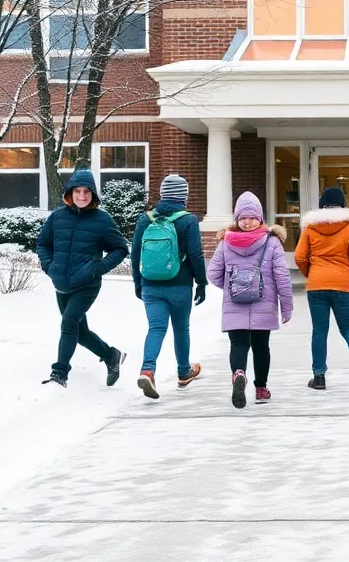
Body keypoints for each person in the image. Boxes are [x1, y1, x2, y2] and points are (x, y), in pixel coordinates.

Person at [36, 169, 129, 388]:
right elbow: (43, 244)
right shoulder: (58, 217)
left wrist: (96, 268)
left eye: (87, 192)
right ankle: (111, 355)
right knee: (80, 333)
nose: (82, 196)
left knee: (68, 323)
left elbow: (120, 249)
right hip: (61, 284)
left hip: (87, 284)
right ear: (70, 193)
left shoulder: (102, 220)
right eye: (78, 191)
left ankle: (59, 373)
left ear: (93, 194)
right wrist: (50, 266)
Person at [207, 192, 294, 408]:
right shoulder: (272, 242)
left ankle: (238, 373)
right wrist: (287, 306)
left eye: (251, 217)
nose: (247, 222)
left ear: (259, 219)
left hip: (234, 303)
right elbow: (282, 276)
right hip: (264, 304)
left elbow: (213, 273)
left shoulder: (226, 241)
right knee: (261, 347)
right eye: (244, 218)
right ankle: (261, 389)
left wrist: (231, 287)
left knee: (238, 344)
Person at [130, 173, 207, 399]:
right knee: (181, 328)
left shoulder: (145, 219)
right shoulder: (188, 220)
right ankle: (184, 372)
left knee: (156, 328)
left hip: (151, 285)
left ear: (162, 194)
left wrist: (138, 283)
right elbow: (195, 254)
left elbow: (135, 254)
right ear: (184, 196)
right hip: (180, 285)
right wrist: (201, 282)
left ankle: (147, 370)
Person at [295, 187, 349, 390]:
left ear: (322, 206)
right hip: (344, 285)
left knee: (320, 330)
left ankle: (319, 376)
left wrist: (312, 274)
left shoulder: (311, 228)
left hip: (317, 285)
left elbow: (300, 257)